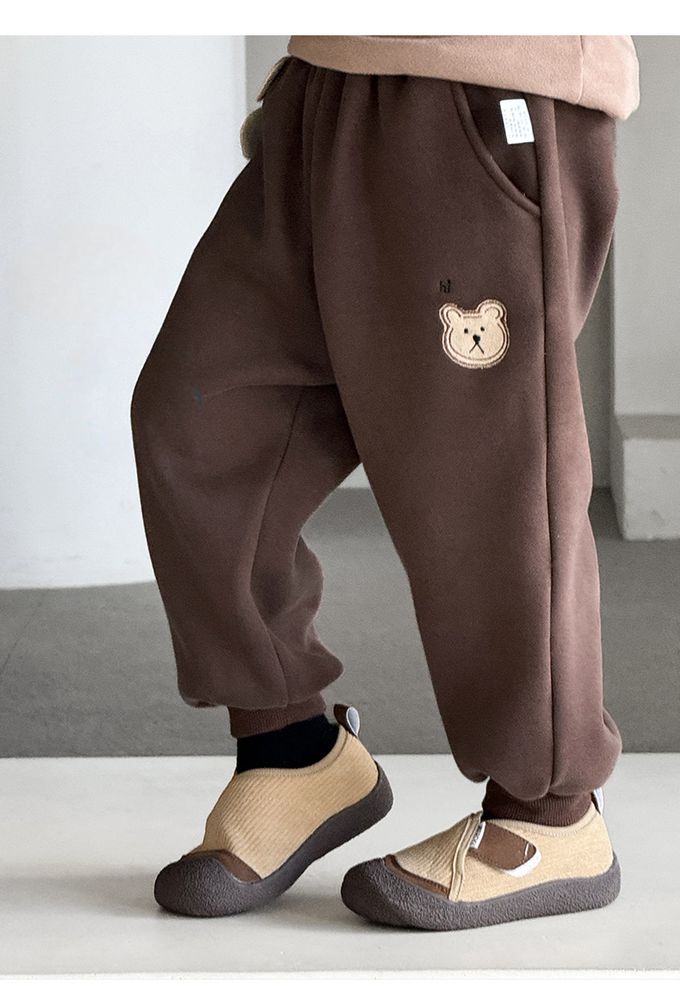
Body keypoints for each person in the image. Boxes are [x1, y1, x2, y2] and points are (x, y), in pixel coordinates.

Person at [130, 35, 640, 928]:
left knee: (487, 476)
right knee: (198, 417)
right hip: (325, 86)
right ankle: (294, 753)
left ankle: (550, 812)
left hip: (482, 84)